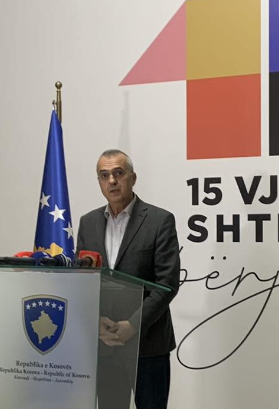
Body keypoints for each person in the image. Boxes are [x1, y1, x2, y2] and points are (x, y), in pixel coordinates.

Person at [76, 149, 180, 409]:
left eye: (118, 173)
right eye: (104, 175)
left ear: (133, 178)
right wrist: (97, 322)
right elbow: (82, 282)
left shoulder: (160, 221)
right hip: (105, 344)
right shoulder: (88, 223)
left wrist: (133, 325)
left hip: (148, 344)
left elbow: (167, 284)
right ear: (99, 182)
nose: (112, 181)